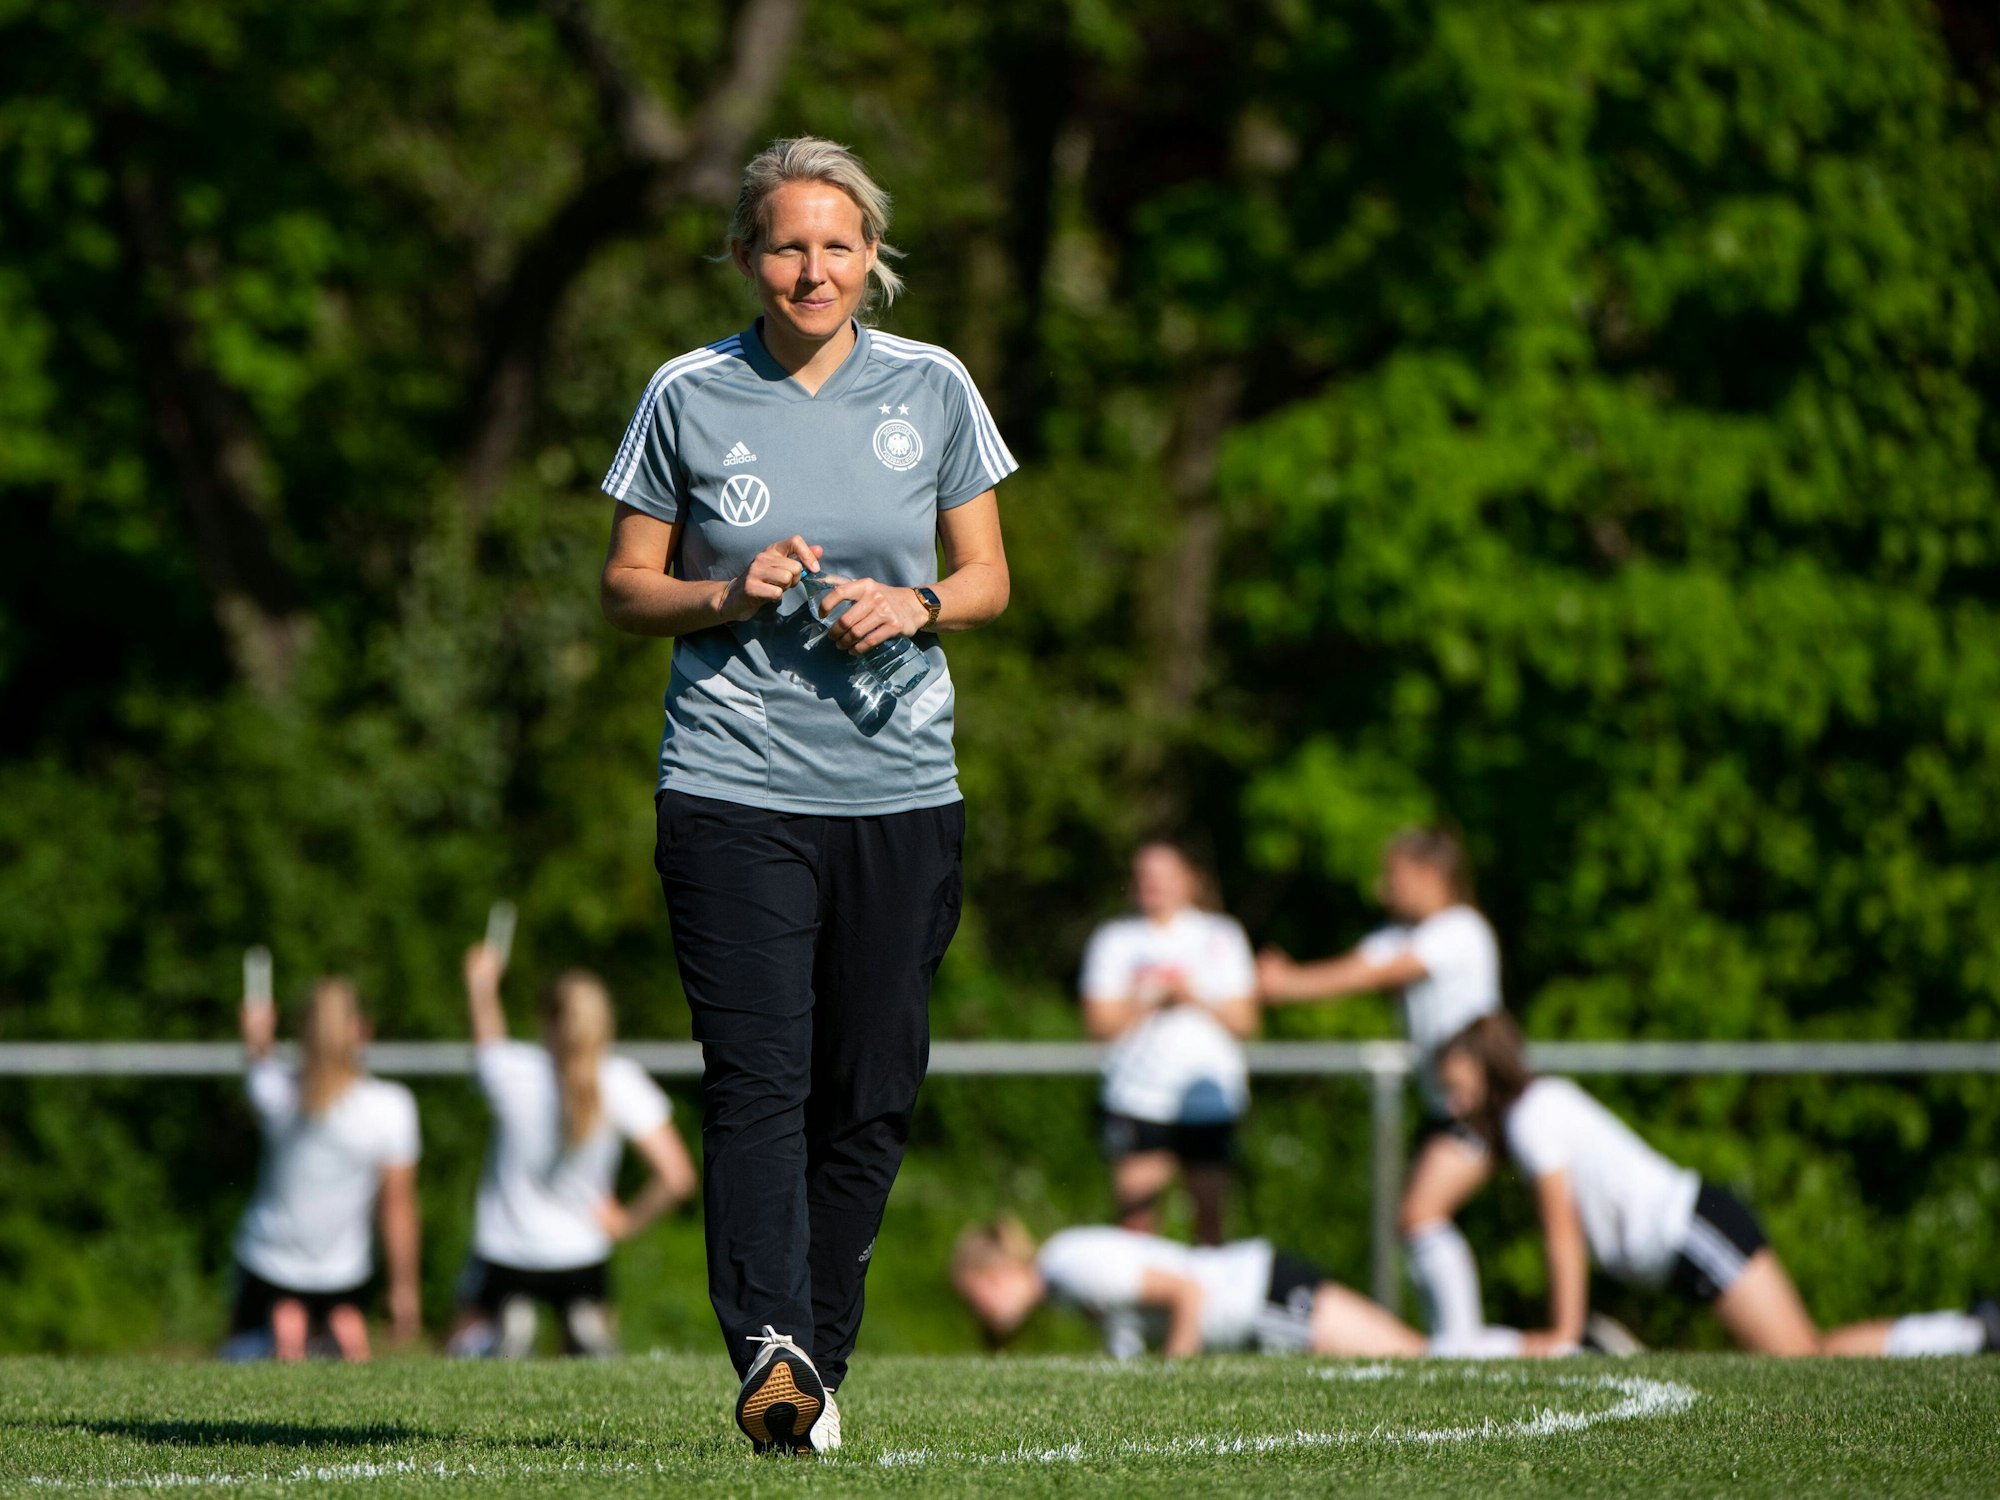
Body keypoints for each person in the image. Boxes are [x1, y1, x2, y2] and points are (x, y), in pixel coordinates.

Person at [598, 136, 1015, 1454]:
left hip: (901, 791)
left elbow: (990, 576)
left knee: (871, 1086)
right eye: (786, 245)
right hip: (731, 785)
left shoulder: (933, 385)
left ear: (872, 256)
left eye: (838, 245)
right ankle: (771, 1347)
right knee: (757, 1080)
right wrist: (726, 593)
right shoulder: (686, 392)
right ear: (744, 256)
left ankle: (812, 1369)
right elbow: (625, 587)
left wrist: (919, 602)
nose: (813, 268)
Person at [1437, 1013, 2000, 1357]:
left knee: (1804, 1358)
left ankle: (1971, 1333)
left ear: (1492, 1072)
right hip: (1687, 1239)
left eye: (1461, 1089)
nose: (1456, 1106)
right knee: (1802, 1356)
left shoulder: (1531, 1118)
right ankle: (1971, 1332)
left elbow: (1562, 1231)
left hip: (1695, 1230)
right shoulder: (1537, 1110)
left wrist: (1562, 1333)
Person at [1256, 828, 1500, 1339]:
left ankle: (1466, 1346)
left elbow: (1371, 976)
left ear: (1432, 875)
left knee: (1420, 1216)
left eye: (1395, 876)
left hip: (1481, 1103)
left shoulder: (1460, 930)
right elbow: (1357, 966)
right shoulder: (1406, 934)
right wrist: (1276, 980)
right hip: (1445, 1105)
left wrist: (1287, 983)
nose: (1381, 888)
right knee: (1417, 1221)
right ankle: (1459, 1344)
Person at [448, 942, 698, 1359]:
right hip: (581, 1253)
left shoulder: (515, 1071)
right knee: (593, 1363)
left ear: (547, 1020)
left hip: (505, 1252)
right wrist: (625, 1222)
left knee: (461, 1344)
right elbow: (678, 1177)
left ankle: (497, 1333)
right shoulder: (620, 1080)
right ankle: (583, 1329)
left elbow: (488, 1042)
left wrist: (482, 984)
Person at [951, 1219, 1528, 1359]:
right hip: (1258, 1294)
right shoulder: (1060, 1277)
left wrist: (1171, 1384)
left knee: (1418, 1357)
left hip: (1262, 1297)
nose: (983, 1313)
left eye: (978, 1298)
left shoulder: (1069, 1267)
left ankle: (1554, 1349)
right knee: (1418, 1355)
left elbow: (1185, 1293)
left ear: (996, 1274)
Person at [222, 977, 421, 1363]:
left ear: (302, 1034)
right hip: (345, 1274)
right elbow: (397, 1207)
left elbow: (261, 1064)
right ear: (363, 1031)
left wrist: (257, 1036)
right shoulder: (391, 1107)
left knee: (236, 1354)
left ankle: (281, 1327)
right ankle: (337, 1324)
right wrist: (403, 1291)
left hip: (269, 1265)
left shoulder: (277, 1095)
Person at [1079, 843, 1257, 1246]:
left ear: (1189, 879)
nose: (1152, 884)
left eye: (1163, 875)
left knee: (1210, 1222)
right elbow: (1099, 1025)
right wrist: (1151, 999)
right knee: (1136, 1224)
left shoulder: (1221, 935)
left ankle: (1203, 1290)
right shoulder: (1115, 940)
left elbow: (1246, 1022)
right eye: (1144, 875)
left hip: (1209, 1101)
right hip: (1137, 1097)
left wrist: (1192, 996)